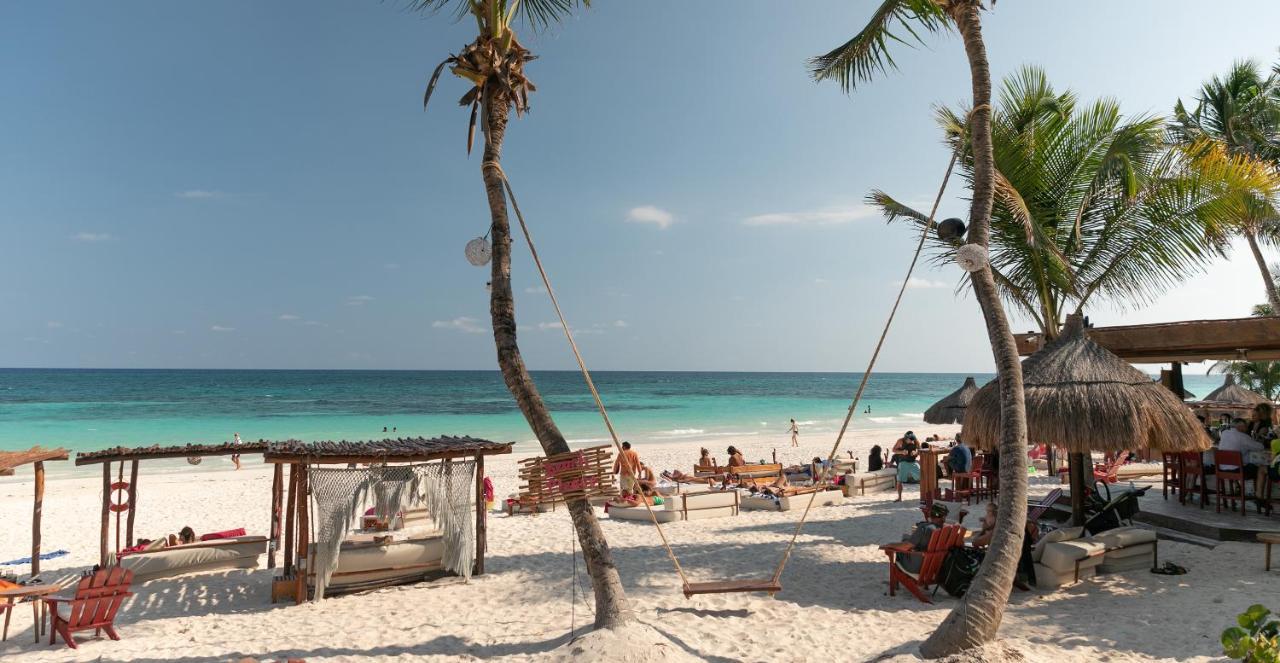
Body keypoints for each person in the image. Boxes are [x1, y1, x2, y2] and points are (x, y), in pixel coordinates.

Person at [897, 503, 949, 574]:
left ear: (931, 514)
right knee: (907, 538)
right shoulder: (947, 530)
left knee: (900, 547)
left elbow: (906, 546)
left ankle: (897, 578)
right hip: (936, 567)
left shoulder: (924, 528)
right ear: (944, 517)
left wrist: (889, 545)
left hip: (918, 568)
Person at [894, 432, 921, 502]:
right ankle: (899, 498)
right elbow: (894, 450)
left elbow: (920, 450)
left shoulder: (916, 440)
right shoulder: (900, 440)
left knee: (922, 477)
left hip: (913, 462)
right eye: (910, 439)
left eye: (913, 439)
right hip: (903, 462)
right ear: (906, 438)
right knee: (899, 480)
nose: (912, 441)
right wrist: (902, 452)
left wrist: (915, 453)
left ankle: (923, 496)